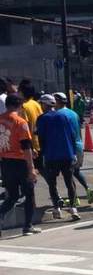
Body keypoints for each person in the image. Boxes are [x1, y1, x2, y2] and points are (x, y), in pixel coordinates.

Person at [0, 93, 40, 235]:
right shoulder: (20, 122)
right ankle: (27, 226)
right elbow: (26, 146)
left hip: (5, 162)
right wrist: (31, 168)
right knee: (29, 194)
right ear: (20, 105)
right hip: (21, 162)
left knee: (12, 195)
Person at [36, 94, 79, 221]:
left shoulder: (42, 118)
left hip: (51, 155)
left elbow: (41, 137)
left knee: (52, 182)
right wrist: (74, 152)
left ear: (45, 105)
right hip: (67, 153)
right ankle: (73, 208)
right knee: (69, 181)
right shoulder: (64, 116)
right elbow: (72, 134)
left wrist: (42, 153)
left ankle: (57, 208)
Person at [53, 93, 93, 205]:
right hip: (79, 145)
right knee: (76, 171)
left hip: (68, 147)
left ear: (57, 101)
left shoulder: (58, 114)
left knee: (68, 173)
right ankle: (88, 189)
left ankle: (74, 199)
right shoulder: (74, 114)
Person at [18, 79, 43, 162]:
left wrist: (30, 147)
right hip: (40, 142)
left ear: (21, 93)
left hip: (31, 145)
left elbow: (25, 128)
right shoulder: (36, 104)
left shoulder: (23, 107)